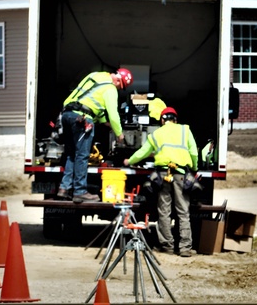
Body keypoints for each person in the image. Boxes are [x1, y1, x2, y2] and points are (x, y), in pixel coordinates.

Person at [123, 107, 199, 257]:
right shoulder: (185, 130)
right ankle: (185, 248)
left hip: (163, 175)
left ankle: (167, 245)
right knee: (183, 211)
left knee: (164, 211)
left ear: (162, 120)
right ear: (176, 119)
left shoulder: (156, 133)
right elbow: (194, 152)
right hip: (181, 174)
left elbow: (143, 152)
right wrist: (194, 168)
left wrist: (129, 160)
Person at [57, 68, 132, 203]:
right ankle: (80, 191)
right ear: (119, 80)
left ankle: (64, 188)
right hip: (82, 119)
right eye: (121, 87)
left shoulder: (95, 75)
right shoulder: (110, 89)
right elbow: (114, 115)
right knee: (82, 155)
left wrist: (104, 122)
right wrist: (119, 133)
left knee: (71, 154)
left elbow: (91, 100)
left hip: (67, 115)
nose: (119, 89)